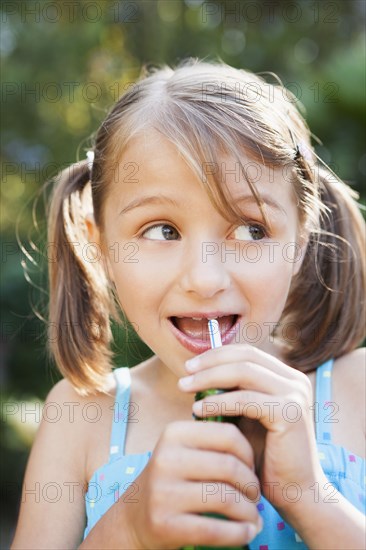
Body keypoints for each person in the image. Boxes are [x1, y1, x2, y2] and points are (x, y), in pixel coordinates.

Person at [11, 59, 365, 550]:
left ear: (301, 241)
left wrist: (308, 495)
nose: (205, 279)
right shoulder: (81, 418)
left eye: (250, 229)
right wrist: (129, 527)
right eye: (162, 230)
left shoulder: (357, 390)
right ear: (101, 245)